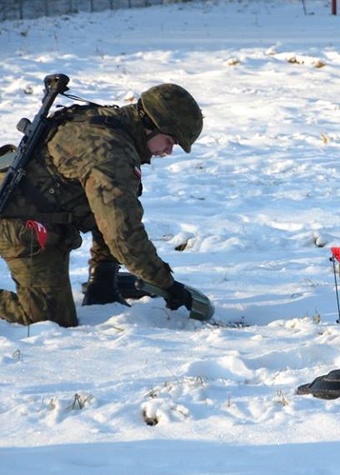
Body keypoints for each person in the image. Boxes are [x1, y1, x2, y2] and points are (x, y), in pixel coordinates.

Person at [0, 82, 204, 327]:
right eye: (170, 141)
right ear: (151, 124)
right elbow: (123, 235)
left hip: (34, 205)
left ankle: (102, 278)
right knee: (48, 320)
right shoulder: (110, 153)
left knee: (115, 206)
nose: (169, 151)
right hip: (21, 223)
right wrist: (167, 285)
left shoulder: (109, 121)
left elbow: (111, 213)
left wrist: (104, 274)